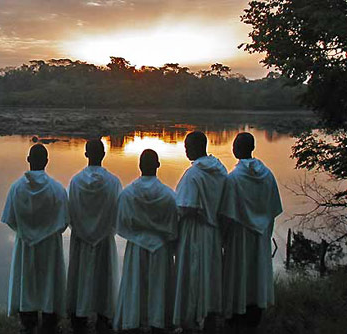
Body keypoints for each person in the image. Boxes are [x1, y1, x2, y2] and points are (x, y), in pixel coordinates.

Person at [0, 144, 68, 334]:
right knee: (49, 281)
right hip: (49, 246)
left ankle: (28, 321)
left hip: (25, 244)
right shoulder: (57, 189)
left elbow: (10, 219)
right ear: (47, 161)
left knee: (26, 281)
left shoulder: (16, 188)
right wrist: (47, 233)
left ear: (28, 160)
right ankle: (49, 320)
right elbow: (63, 222)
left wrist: (26, 233)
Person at [219, 132, 282, 334]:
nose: (233, 148)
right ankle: (255, 314)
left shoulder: (233, 179)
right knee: (256, 274)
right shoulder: (268, 175)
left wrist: (223, 237)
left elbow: (226, 214)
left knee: (238, 275)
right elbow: (273, 208)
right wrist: (263, 226)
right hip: (260, 234)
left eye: (235, 145)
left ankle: (236, 314)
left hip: (239, 236)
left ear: (238, 149)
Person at [113, 149, 178, 334]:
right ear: (158, 165)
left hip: (136, 246)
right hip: (160, 248)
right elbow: (174, 227)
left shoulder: (128, 194)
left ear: (139, 166)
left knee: (135, 286)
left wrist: (136, 234)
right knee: (159, 287)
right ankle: (158, 322)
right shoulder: (168, 196)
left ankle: (133, 320)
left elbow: (121, 223)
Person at [173, 131, 228, 331]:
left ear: (197, 147)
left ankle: (191, 319)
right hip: (213, 232)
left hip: (194, 233)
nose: (185, 150)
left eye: (187, 147)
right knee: (211, 275)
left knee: (192, 274)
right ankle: (210, 316)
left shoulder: (194, 174)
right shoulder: (221, 170)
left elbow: (184, 206)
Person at [67, 139, 122, 334]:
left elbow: (70, 211)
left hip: (81, 238)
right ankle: (103, 316)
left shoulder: (75, 181)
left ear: (86, 154)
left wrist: (82, 228)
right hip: (104, 238)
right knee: (103, 277)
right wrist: (106, 230)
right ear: (103, 155)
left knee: (79, 275)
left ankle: (78, 315)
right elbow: (118, 212)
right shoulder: (113, 182)